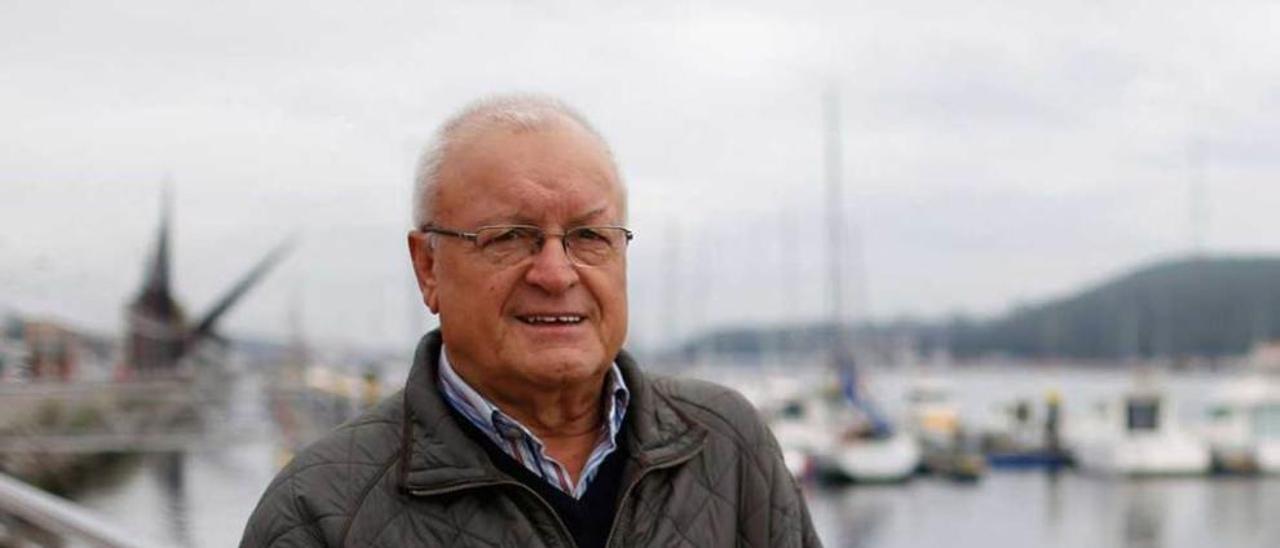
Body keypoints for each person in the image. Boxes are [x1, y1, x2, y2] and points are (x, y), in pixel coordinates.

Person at [240, 94, 820, 548]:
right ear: (428, 268)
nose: (555, 271)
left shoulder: (725, 443)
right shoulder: (318, 509)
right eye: (510, 237)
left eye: (589, 236)